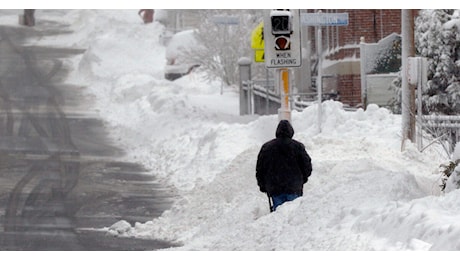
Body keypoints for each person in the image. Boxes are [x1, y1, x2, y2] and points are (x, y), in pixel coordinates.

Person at [256, 120, 312, 212]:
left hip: (275, 188)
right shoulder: (297, 147)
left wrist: (263, 185)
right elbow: (307, 166)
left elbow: (260, 169)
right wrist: (302, 179)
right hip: (294, 187)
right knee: (293, 214)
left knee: (278, 213)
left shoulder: (267, 147)